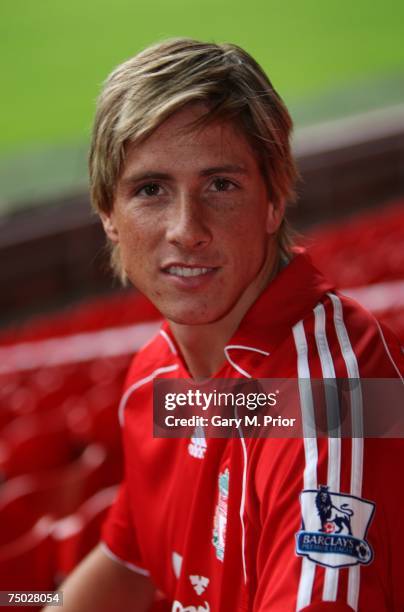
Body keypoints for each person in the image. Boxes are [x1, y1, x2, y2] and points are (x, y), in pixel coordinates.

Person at [43, 38, 404, 611]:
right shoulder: (156, 379)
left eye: (221, 185)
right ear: (108, 213)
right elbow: (127, 561)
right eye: (151, 189)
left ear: (274, 200)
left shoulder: (339, 400)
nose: (187, 228)